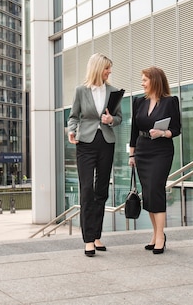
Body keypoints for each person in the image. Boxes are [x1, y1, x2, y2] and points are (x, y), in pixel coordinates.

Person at [68, 53, 123, 257]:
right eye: (107, 68)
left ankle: (97, 235)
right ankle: (88, 239)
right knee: (86, 189)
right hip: (85, 143)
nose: (109, 72)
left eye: (110, 69)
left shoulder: (114, 91)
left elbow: (119, 118)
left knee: (101, 190)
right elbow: (73, 117)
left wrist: (111, 120)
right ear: (98, 68)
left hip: (106, 142)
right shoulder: (81, 91)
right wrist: (71, 131)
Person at [129, 66, 181, 254]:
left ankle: (160, 236)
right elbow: (134, 130)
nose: (142, 83)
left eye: (145, 80)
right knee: (148, 193)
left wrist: (163, 133)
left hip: (161, 150)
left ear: (155, 81)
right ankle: (155, 234)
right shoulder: (138, 102)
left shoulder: (170, 101)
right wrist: (131, 154)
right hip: (142, 150)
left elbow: (177, 129)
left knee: (156, 189)